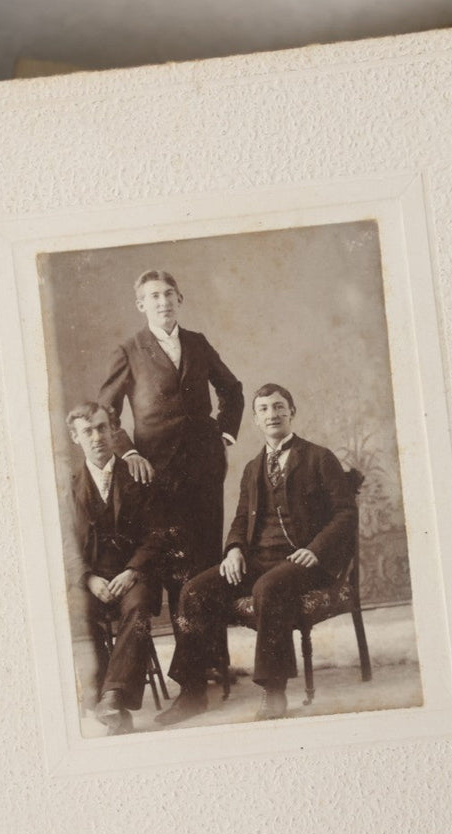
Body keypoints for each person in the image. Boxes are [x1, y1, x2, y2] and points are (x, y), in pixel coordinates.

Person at [157, 384, 357, 725]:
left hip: (304, 560)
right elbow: (239, 520)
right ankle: (192, 692)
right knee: (194, 591)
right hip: (259, 558)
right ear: (254, 420)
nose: (272, 414)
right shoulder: (253, 468)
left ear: (292, 411)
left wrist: (315, 549)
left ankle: (273, 690)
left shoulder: (318, 458)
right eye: (263, 409)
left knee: (268, 587)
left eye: (279, 407)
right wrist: (233, 550)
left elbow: (345, 514)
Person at [98, 270, 244, 597]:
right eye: (154, 296)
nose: (163, 302)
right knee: (173, 563)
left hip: (205, 468)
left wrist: (224, 435)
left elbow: (232, 390)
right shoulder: (129, 350)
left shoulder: (198, 343)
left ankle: (213, 650)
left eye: (168, 294)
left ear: (180, 299)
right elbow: (106, 412)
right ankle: (186, 648)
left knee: (207, 559)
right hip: (157, 473)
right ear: (141, 305)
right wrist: (130, 452)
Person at [64, 401, 164, 735]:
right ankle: (113, 708)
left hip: (133, 575)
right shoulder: (68, 487)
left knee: (136, 608)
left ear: (113, 430)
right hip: (94, 579)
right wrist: (88, 578)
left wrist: (133, 570)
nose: (97, 437)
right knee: (80, 611)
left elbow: (157, 533)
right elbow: (65, 544)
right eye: (88, 431)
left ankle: (112, 696)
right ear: (75, 437)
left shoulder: (138, 475)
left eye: (102, 428)